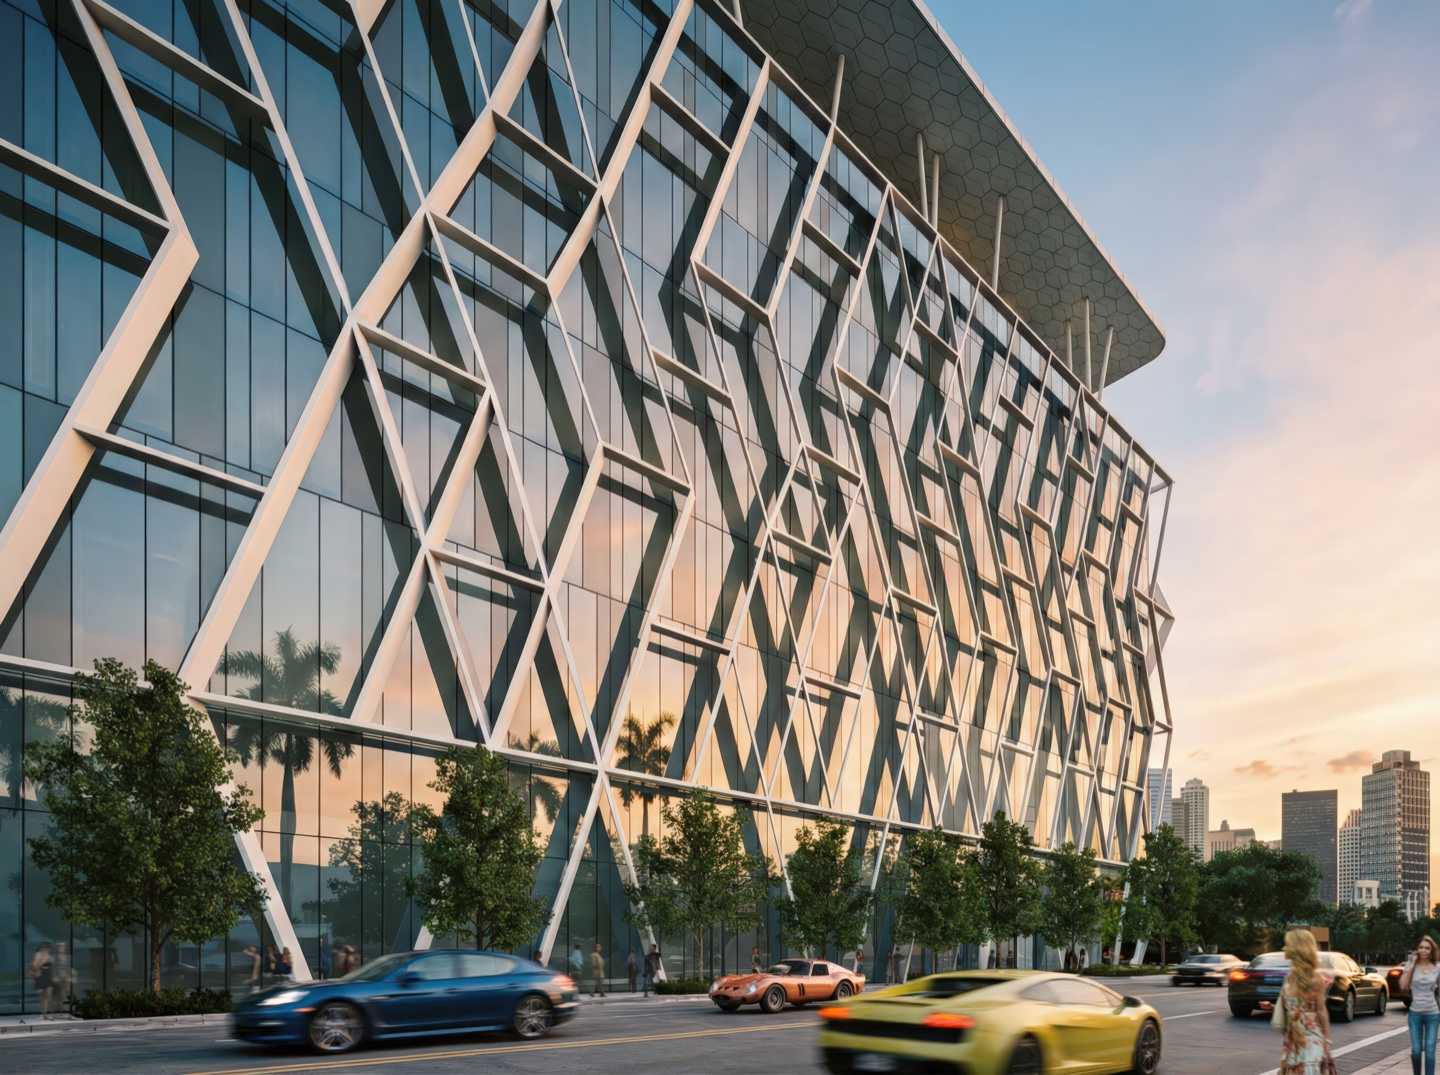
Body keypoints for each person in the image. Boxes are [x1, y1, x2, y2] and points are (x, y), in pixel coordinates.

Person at [1276, 928, 1333, 1075]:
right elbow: (1293, 1007)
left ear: (1297, 948)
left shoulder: (1315, 979)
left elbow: (1321, 1010)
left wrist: (1327, 1041)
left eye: (1287, 945)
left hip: (1310, 1040)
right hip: (1292, 1040)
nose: (1284, 948)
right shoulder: (1289, 977)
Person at [1400, 934, 1440, 1075]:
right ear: (1417, 949)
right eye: (1421, 947)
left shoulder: (1437, 968)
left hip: (1432, 1015)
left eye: (1427, 948)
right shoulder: (1412, 966)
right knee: (1416, 1051)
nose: (1424, 950)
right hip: (1415, 1014)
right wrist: (1412, 964)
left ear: (1431, 951)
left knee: (1429, 1052)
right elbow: (1403, 985)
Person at [28, 941, 55, 1019]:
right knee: (42, 997)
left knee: (48, 996)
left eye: (47, 948)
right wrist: (42, 959)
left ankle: (47, 1013)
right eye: (43, 948)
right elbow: (34, 968)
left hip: (48, 977)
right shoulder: (38, 955)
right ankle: (43, 1013)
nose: (45, 949)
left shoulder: (51, 957)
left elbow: (52, 969)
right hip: (40, 977)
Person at [52, 942, 74, 1015]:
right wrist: (55, 977)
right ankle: (59, 1009)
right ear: (57, 948)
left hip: (66, 977)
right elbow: (53, 968)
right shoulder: (55, 957)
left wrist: (71, 977)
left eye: (64, 946)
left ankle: (67, 1008)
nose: (62, 947)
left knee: (67, 993)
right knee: (59, 994)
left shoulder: (68, 957)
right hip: (58, 977)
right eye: (60, 946)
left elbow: (70, 968)